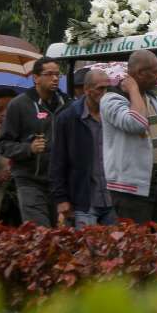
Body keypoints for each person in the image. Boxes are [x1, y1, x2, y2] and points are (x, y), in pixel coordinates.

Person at [100, 49, 157, 226]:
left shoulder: (153, 99)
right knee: (139, 245)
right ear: (140, 73)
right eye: (155, 72)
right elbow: (137, 123)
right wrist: (132, 89)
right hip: (131, 190)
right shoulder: (111, 100)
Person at [0, 59, 69, 226]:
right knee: (40, 233)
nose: (55, 79)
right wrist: (28, 148)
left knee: (61, 236)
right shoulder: (19, 105)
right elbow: (3, 145)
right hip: (30, 181)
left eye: (57, 74)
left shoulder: (67, 104)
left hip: (60, 183)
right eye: (49, 74)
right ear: (36, 78)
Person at [51, 67, 116, 228]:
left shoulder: (114, 114)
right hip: (84, 200)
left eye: (107, 88)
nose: (105, 92)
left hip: (114, 199)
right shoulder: (68, 118)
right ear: (87, 90)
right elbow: (58, 160)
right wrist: (61, 199)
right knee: (87, 250)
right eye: (100, 88)